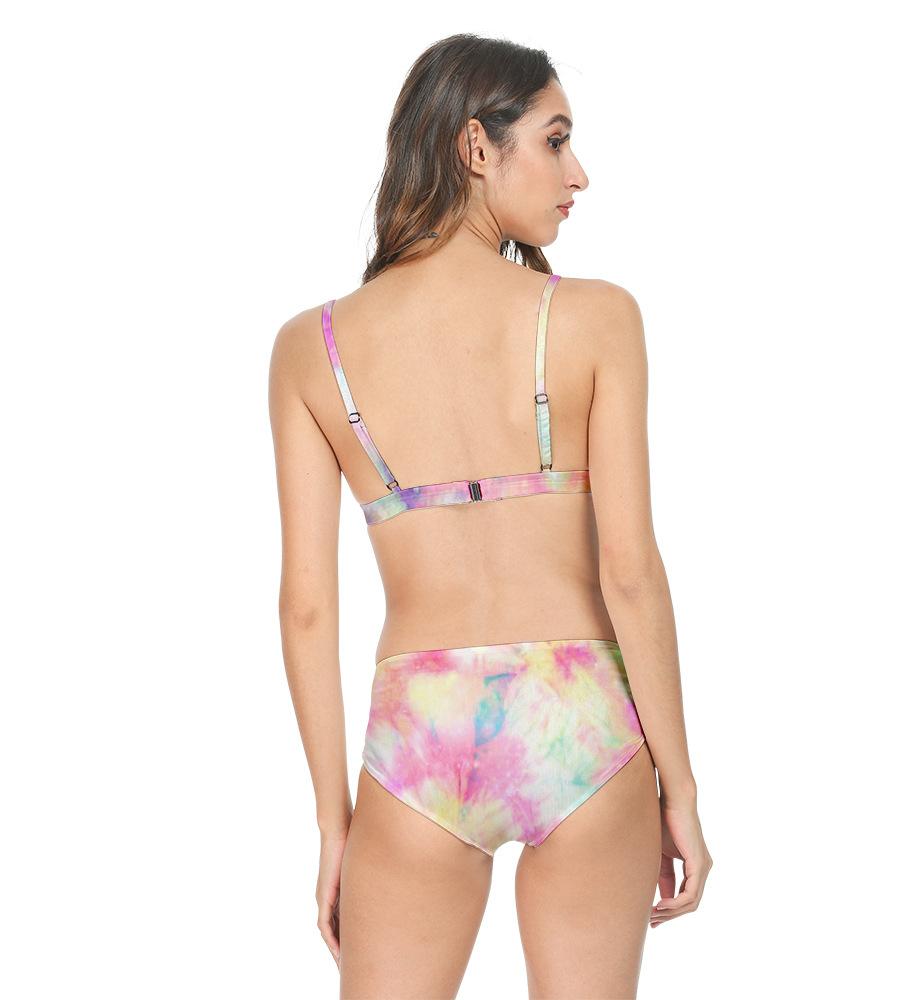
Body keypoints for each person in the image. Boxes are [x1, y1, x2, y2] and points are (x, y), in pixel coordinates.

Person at [268, 32, 712, 1000]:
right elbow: (629, 570)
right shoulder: (595, 316)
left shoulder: (313, 347)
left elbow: (306, 608)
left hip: (421, 734)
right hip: (583, 721)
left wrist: (335, 824)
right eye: (555, 140)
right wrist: (678, 782)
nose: (577, 173)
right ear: (477, 146)